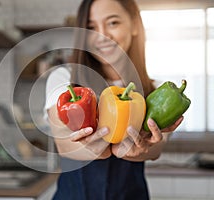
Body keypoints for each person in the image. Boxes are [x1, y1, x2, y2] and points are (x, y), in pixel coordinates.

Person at [44, 0, 184, 199]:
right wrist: (93, 150)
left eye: (113, 23)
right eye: (91, 27)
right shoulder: (64, 79)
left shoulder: (155, 90)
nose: (102, 36)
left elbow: (156, 149)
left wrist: (143, 148)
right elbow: (63, 145)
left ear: (135, 24)